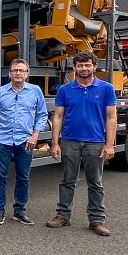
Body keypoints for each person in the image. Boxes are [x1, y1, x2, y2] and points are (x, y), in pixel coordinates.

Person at [48, 51, 118, 236]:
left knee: (95, 182)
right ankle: (63, 216)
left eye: (88, 65)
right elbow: (58, 117)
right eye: (80, 65)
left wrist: (109, 144)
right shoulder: (65, 90)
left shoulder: (106, 88)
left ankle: (96, 220)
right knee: (67, 181)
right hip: (70, 141)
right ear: (74, 68)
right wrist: (55, 143)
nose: (84, 68)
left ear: (94, 66)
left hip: (95, 142)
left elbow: (111, 118)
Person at [0, 58, 48, 226]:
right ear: (9, 74)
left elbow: (42, 115)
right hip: (3, 140)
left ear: (27, 74)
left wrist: (35, 135)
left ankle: (19, 211)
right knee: (0, 176)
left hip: (25, 140)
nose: (18, 73)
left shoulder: (35, 91)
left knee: (24, 177)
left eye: (21, 70)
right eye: (15, 70)